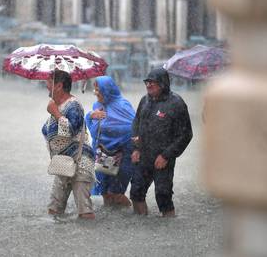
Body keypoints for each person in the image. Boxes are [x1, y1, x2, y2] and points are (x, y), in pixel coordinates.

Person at [130, 67, 193, 217]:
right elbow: (136, 123)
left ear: (163, 84)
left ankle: (168, 228)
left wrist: (166, 155)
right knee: (136, 192)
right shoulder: (144, 100)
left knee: (163, 195)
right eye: (147, 82)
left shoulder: (176, 103)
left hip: (163, 159)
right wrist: (135, 148)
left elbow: (186, 134)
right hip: (144, 155)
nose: (148, 85)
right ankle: (140, 226)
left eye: (153, 82)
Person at [42, 70, 96, 220]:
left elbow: (71, 131)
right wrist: (54, 110)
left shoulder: (74, 106)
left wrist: (56, 113)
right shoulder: (56, 105)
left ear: (58, 86)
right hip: (63, 163)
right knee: (53, 209)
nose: (46, 86)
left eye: (48, 82)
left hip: (80, 162)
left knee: (85, 211)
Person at [85, 76, 135, 207]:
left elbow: (133, 128)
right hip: (103, 153)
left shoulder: (123, 105)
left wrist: (114, 132)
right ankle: (111, 221)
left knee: (117, 194)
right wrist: (91, 115)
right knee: (105, 192)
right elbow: (94, 130)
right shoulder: (97, 106)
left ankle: (134, 218)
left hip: (123, 155)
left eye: (98, 90)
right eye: (94, 89)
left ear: (107, 90)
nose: (95, 93)